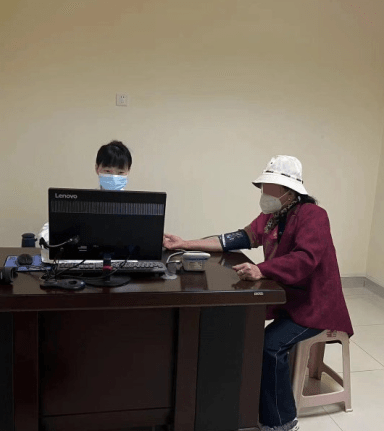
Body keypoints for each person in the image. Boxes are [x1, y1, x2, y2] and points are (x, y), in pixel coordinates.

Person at [163, 155, 353, 431]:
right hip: (289, 299)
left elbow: (305, 258)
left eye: (270, 187)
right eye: (264, 186)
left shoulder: (314, 215)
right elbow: (236, 238)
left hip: (316, 305)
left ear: (289, 191)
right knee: (241, 326)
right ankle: (243, 399)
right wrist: (186, 243)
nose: (264, 192)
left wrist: (262, 269)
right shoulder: (272, 217)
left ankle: (283, 422)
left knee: (269, 345)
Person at [38, 140, 132, 260]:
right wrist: (51, 242)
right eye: (108, 171)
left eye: (120, 172)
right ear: (97, 169)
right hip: (86, 262)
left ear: (128, 172)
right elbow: (49, 230)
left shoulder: (136, 206)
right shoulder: (83, 201)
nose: (114, 177)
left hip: (126, 264)